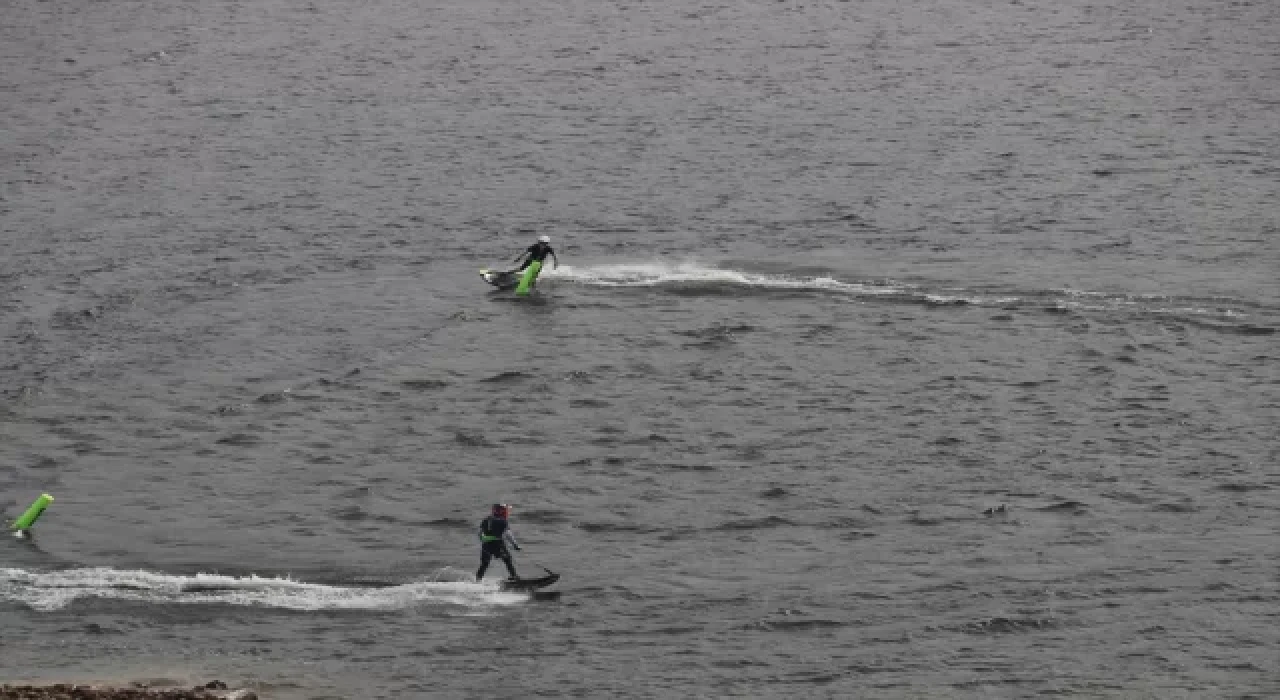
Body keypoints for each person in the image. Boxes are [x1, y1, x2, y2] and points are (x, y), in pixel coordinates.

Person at [476, 503, 521, 581]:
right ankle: (514, 577)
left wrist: (485, 539)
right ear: (501, 511)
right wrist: (515, 545)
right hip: (498, 544)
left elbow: (480, 534)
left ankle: (478, 580)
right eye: (505, 510)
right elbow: (508, 534)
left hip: (486, 545)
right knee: (507, 559)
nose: (507, 512)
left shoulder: (486, 519)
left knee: (485, 563)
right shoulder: (503, 521)